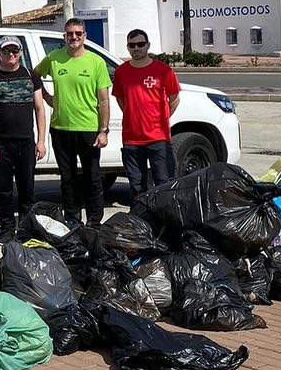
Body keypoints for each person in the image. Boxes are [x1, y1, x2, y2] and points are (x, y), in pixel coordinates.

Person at [36, 17, 112, 226]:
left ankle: (95, 221)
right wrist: (45, 96)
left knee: (93, 178)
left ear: (85, 36)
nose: (74, 37)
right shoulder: (54, 58)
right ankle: (72, 219)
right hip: (60, 128)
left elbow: (104, 100)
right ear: (64, 36)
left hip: (89, 128)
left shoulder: (96, 62)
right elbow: (34, 76)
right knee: (67, 179)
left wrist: (103, 130)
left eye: (78, 33)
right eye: (70, 34)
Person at [0, 37, 48, 245]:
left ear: (20, 52)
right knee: (3, 189)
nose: (11, 54)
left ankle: (27, 230)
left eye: (14, 50)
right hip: (1, 144)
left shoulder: (31, 75)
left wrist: (41, 141)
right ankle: (7, 229)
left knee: (27, 188)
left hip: (26, 142)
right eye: (6, 50)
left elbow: (39, 109)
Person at [112, 28, 181, 202]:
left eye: (140, 44)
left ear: (148, 45)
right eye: (132, 45)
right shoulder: (121, 72)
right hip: (131, 140)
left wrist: (161, 118)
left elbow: (174, 99)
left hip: (158, 139)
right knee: (136, 187)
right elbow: (120, 99)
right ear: (128, 47)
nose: (137, 48)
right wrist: (133, 115)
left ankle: (165, 225)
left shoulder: (163, 70)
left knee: (164, 184)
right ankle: (139, 223)